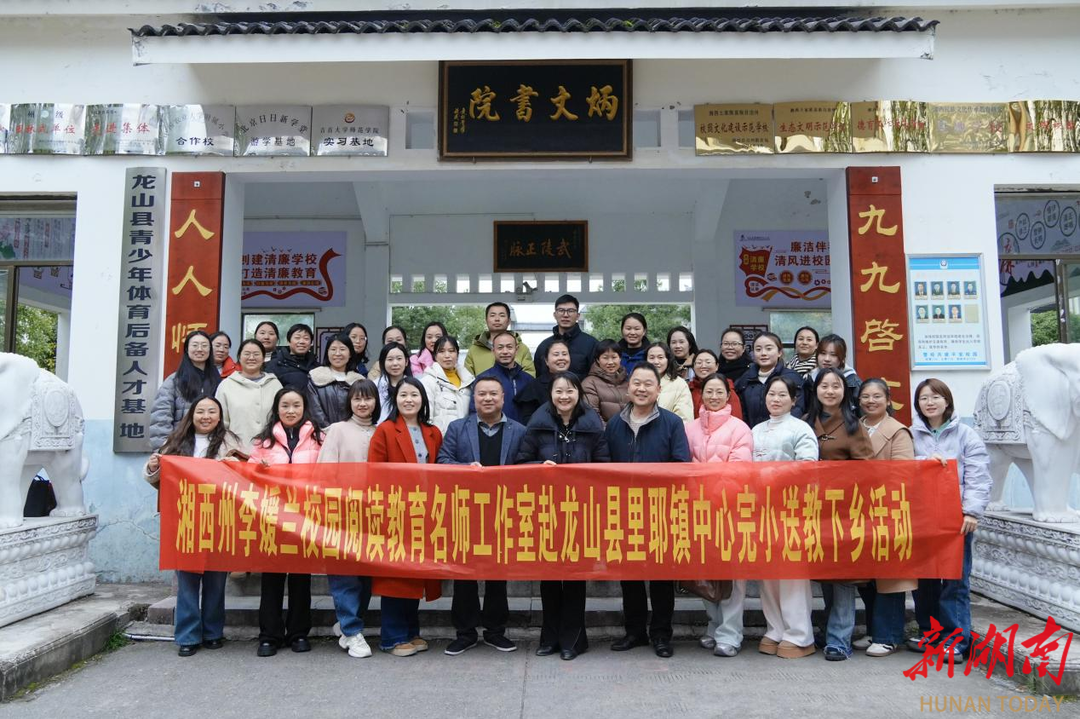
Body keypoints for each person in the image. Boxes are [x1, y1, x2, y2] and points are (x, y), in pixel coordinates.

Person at [516, 371, 610, 660]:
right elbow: (520, 463)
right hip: (546, 512)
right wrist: (538, 467)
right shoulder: (537, 424)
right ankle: (549, 637)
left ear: (579, 394)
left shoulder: (593, 425)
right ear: (551, 395)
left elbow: (605, 466)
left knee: (574, 577)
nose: (564, 396)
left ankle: (574, 639)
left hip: (581, 511)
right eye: (559, 391)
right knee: (548, 578)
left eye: (570, 391)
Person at [144, 396, 242, 657]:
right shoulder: (175, 442)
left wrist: (235, 467)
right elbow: (157, 478)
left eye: (212, 411)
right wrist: (153, 467)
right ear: (192, 415)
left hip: (219, 518)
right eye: (200, 411)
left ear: (219, 416)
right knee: (187, 580)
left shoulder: (230, 443)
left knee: (216, 580)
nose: (206, 416)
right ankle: (187, 635)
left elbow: (244, 475)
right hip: (185, 519)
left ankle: (213, 632)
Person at [604, 364, 691, 658]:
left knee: (661, 576)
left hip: (660, 510)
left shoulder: (672, 423)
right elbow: (604, 467)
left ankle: (662, 635)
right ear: (628, 388)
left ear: (658, 389)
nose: (641, 389)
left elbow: (681, 464)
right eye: (636, 383)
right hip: (624, 510)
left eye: (648, 384)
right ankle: (635, 632)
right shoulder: (615, 424)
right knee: (629, 575)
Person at [437, 376, 527, 656]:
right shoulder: (457, 427)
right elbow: (443, 461)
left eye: (493, 394)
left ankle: (495, 631)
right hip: (466, 511)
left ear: (503, 398)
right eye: (482, 394)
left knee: (497, 575)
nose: (487, 398)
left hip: (502, 512)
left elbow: (527, 466)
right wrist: (465, 469)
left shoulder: (519, 430)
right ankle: (465, 632)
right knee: (463, 574)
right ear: (474, 398)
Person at [909, 378, 991, 660]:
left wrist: (972, 511)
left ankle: (955, 639)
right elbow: (901, 468)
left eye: (935, 397)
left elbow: (979, 475)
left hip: (956, 518)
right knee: (925, 579)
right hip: (921, 518)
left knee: (955, 579)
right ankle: (930, 634)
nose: (929, 403)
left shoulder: (966, 434)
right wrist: (925, 462)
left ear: (947, 401)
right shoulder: (911, 434)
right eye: (923, 398)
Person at [368, 377, 444, 657]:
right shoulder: (385, 430)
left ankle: (411, 631)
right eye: (403, 395)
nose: (409, 400)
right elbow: (375, 473)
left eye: (414, 394)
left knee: (415, 574)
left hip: (424, 512)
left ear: (423, 399)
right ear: (394, 399)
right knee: (395, 575)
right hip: (396, 511)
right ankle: (392, 637)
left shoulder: (433, 432)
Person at [803, 368, 874, 662]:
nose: (830, 391)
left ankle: (839, 639)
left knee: (843, 575)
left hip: (844, 511)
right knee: (824, 572)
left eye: (836, 386)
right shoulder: (805, 421)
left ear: (845, 391)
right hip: (812, 510)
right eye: (824, 386)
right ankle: (829, 628)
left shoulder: (854, 426)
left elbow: (867, 471)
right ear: (816, 390)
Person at [248, 388, 323, 657]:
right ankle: (269, 635)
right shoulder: (263, 441)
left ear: (305, 408)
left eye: (296, 405)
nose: (291, 411)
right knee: (272, 577)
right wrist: (258, 469)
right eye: (285, 406)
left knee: (301, 577)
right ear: (277, 409)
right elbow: (249, 474)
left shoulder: (319, 438)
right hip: (272, 516)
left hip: (306, 516)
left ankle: (299, 633)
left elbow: (327, 473)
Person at [683, 373, 753, 657]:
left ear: (728, 395)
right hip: (697, 511)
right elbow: (682, 465)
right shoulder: (689, 428)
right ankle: (714, 626)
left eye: (719, 392)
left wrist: (712, 491)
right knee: (705, 570)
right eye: (708, 391)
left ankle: (731, 633)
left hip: (728, 510)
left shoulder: (740, 429)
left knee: (733, 574)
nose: (713, 396)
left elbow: (739, 470)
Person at [752, 375, 819, 659]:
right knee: (767, 573)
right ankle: (775, 630)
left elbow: (808, 467)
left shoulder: (801, 428)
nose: (776, 399)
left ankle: (799, 634)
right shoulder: (756, 429)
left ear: (793, 400)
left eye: (782, 395)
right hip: (760, 509)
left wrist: (773, 477)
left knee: (792, 574)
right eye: (771, 394)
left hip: (791, 508)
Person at [318, 380, 381, 659]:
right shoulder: (338, 430)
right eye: (357, 399)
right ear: (349, 402)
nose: (363, 404)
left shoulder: (381, 431)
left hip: (373, 513)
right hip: (342, 511)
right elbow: (325, 471)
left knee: (365, 577)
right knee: (344, 574)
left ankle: (348, 625)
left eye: (368, 398)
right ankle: (353, 631)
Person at [857, 379, 917, 658]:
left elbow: (903, 474)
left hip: (888, 509)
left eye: (877, 396)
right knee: (868, 577)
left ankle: (888, 636)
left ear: (888, 400)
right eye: (865, 396)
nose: (871, 401)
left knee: (891, 577)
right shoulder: (855, 426)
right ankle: (873, 630)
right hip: (859, 510)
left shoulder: (898, 431)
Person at [149, 330, 221, 450]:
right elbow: (161, 417)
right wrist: (164, 448)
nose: (199, 349)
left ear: (210, 350)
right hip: (181, 445)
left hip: (213, 445)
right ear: (187, 349)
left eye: (204, 345)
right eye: (195, 345)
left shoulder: (219, 380)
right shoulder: (174, 381)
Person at [215, 338, 283, 450]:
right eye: (247, 354)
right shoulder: (226, 385)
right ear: (239, 357)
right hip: (236, 451)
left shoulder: (275, 385)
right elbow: (221, 423)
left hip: (270, 451)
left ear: (263, 358)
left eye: (256, 354)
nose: (251, 358)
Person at [734, 332, 805, 428]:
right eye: (758, 349)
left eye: (769, 349)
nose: (763, 353)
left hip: (785, 433)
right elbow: (741, 412)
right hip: (752, 433)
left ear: (779, 352)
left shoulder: (792, 378)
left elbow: (797, 409)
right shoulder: (745, 379)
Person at [469, 331, 535, 424]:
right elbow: (474, 411)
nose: (505, 351)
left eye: (509, 347)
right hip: (493, 431)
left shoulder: (528, 380)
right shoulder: (483, 380)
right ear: (493, 350)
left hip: (523, 431)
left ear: (516, 350)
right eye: (500, 347)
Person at [306, 333, 364, 430]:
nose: (337, 353)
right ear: (327, 353)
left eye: (342, 349)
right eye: (333, 349)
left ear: (350, 353)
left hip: (353, 432)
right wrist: (329, 431)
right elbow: (315, 410)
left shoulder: (359, 380)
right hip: (322, 433)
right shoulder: (315, 377)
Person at [534, 294, 597, 381]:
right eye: (561, 310)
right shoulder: (544, 346)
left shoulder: (591, 344)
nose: (565, 315)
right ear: (555, 315)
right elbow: (539, 378)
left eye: (570, 311)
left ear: (578, 315)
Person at [465, 302, 536, 378]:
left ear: (509, 321)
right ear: (486, 320)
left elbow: (529, 377)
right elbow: (467, 380)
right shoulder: (474, 350)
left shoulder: (521, 348)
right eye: (492, 315)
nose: (497, 319)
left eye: (502, 315)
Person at [420, 335, 475, 434]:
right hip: (441, 439)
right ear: (435, 356)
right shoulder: (428, 381)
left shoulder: (469, 381)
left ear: (457, 354)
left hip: (466, 438)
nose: (447, 355)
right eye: (441, 351)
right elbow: (426, 417)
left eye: (451, 351)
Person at [515, 338, 572, 425]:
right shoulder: (534, 386)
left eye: (564, 354)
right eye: (556, 354)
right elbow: (528, 420)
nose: (561, 358)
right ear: (546, 361)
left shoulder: (575, 383)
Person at [805, 334, 862, 416]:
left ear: (842, 358)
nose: (827, 359)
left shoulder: (853, 382)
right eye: (823, 353)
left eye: (833, 355)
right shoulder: (810, 380)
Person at [582, 339, 628, 424]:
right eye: (605, 358)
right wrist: (610, 431)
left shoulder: (628, 382)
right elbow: (592, 415)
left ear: (620, 358)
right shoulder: (589, 383)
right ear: (598, 360)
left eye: (614, 357)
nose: (610, 362)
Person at [689, 349, 744, 421]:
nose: (703, 366)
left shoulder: (726, 388)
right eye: (699, 362)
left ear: (717, 366)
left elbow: (736, 419)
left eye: (708, 362)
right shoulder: (689, 389)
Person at [646, 342, 693, 421]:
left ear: (668, 360)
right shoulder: (639, 383)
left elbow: (684, 419)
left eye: (660, 357)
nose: (656, 362)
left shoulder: (679, 384)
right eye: (651, 358)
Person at [264, 323, 318, 391]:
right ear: (288, 341)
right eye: (297, 338)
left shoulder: (317, 366)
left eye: (306, 338)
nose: (302, 341)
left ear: (311, 343)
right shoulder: (274, 365)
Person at [374, 342, 411, 423]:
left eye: (399, 358)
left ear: (406, 361)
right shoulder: (374, 386)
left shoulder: (414, 386)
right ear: (383, 362)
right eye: (390, 359)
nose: (395, 363)